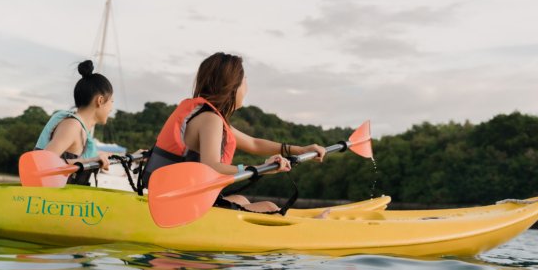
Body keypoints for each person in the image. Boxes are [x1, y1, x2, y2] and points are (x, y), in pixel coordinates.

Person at [142, 52, 326, 213]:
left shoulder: (206, 117)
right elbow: (212, 166)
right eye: (244, 81)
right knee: (269, 207)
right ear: (232, 86)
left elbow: (254, 143)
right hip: (180, 206)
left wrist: (299, 150)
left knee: (241, 200)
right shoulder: (210, 119)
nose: (246, 87)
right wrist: (259, 169)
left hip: (175, 198)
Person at [34, 60, 113, 186]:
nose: (111, 108)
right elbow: (42, 165)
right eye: (111, 101)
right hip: (47, 202)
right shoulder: (71, 126)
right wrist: (91, 160)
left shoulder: (81, 131)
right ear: (100, 100)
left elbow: (75, 160)